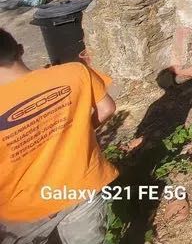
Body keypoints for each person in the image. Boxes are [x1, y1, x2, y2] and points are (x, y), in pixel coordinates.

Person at [0, 28, 117, 244]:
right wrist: (78, 131)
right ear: (20, 50)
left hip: (20, 211)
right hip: (81, 190)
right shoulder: (74, 72)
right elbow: (107, 108)